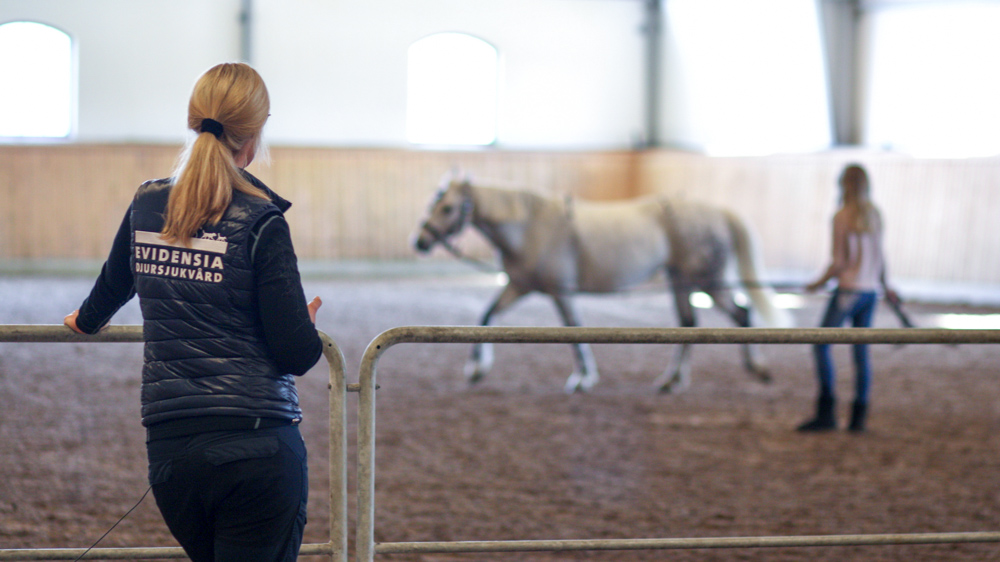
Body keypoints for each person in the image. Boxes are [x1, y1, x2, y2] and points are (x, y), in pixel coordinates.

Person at [64, 62, 324, 561]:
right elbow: (295, 353)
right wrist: (306, 326)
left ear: (194, 121)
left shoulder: (147, 203)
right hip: (258, 446)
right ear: (253, 138)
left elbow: (107, 294)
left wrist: (82, 321)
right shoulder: (262, 220)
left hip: (172, 454)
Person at [798, 163, 897, 433]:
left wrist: (817, 283)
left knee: (821, 345)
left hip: (848, 291)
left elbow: (840, 262)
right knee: (861, 352)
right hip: (870, 293)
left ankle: (827, 411)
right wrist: (886, 285)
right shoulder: (875, 215)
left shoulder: (842, 216)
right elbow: (881, 257)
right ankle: (858, 417)